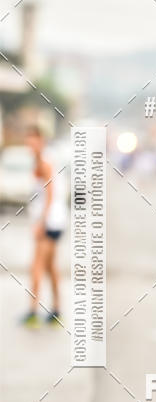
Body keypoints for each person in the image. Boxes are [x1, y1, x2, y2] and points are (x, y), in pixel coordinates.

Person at [22, 125, 68, 328]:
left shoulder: (44, 162)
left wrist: (41, 223)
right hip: (54, 221)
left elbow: (50, 195)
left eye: (33, 140)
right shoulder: (41, 161)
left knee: (36, 268)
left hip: (50, 223)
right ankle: (57, 310)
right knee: (50, 268)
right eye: (27, 140)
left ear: (41, 141)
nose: (29, 144)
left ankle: (32, 312)